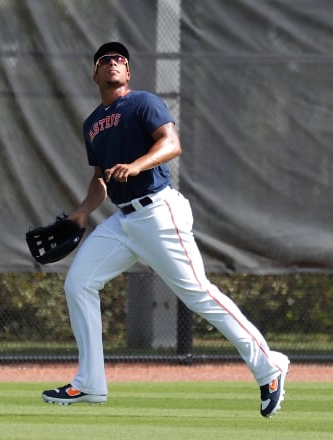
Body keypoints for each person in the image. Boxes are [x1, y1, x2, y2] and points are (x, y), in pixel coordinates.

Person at [40, 42, 290, 418]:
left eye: (120, 60)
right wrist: (80, 214)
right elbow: (100, 180)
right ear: (95, 74)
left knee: (199, 295)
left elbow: (171, 143)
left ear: (128, 73)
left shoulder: (142, 102)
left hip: (158, 211)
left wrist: (138, 165)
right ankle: (90, 382)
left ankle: (269, 366)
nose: (113, 63)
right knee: (78, 284)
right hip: (123, 221)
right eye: (105, 60)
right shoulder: (92, 123)